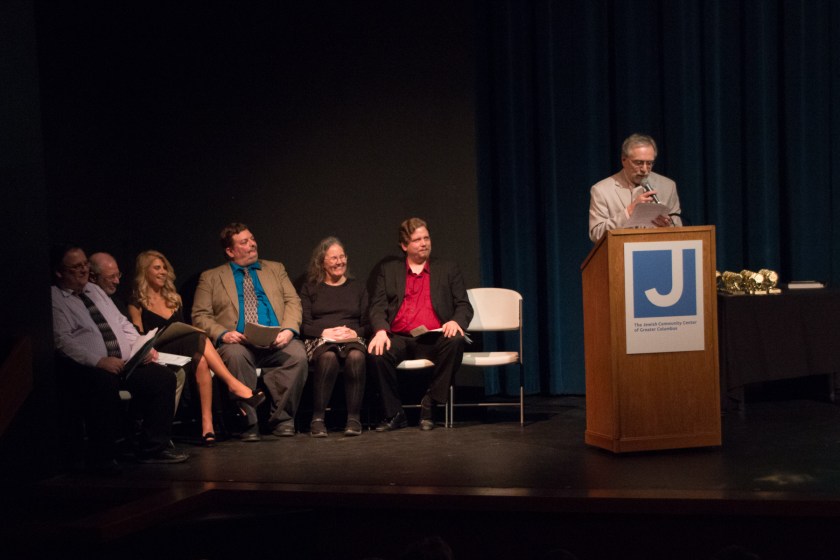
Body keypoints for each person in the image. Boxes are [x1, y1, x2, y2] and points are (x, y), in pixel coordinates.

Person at [51, 244, 189, 472]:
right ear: (60, 272)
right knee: (103, 385)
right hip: (91, 368)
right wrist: (99, 361)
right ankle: (103, 456)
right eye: (76, 267)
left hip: (124, 362)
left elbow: (122, 323)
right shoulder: (56, 298)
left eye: (85, 264)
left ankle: (153, 449)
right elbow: (62, 341)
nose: (84, 270)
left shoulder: (93, 291)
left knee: (162, 378)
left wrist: (141, 347)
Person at [127, 250, 266, 446]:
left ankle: (207, 426)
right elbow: (136, 336)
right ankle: (234, 385)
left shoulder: (174, 299)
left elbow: (183, 329)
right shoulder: (137, 302)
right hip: (156, 352)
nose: (163, 272)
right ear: (144, 271)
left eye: (165, 267)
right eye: (157, 268)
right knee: (199, 337)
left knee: (201, 360)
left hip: (181, 349)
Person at [192, 223, 308, 441]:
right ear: (230, 251)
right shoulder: (211, 277)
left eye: (252, 239)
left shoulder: (275, 268)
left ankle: (282, 419)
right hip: (238, 342)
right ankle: (248, 423)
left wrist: (289, 330)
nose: (252, 244)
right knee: (235, 356)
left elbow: (292, 301)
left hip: (276, 340)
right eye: (244, 242)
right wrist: (222, 334)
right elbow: (200, 315)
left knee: (298, 355)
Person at [368, 218, 473, 431]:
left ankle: (431, 405)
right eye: (417, 240)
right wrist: (380, 330)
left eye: (426, 238)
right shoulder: (389, 270)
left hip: (433, 338)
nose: (424, 243)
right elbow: (377, 307)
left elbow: (464, 305)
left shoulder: (447, 268)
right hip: (400, 338)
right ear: (404, 246)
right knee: (377, 352)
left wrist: (455, 321)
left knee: (456, 341)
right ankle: (394, 413)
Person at [300, 237, 369, 437]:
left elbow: (367, 323)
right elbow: (304, 324)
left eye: (342, 257)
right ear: (322, 262)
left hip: (351, 337)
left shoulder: (358, 287)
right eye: (333, 258)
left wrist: (356, 333)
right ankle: (318, 418)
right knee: (328, 358)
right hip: (320, 339)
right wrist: (324, 332)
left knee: (356, 357)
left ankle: (354, 418)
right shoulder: (310, 288)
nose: (339, 262)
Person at [588, 133, 683, 242]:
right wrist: (628, 212)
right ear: (624, 160)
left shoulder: (668, 186)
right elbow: (596, 234)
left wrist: (668, 227)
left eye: (649, 163)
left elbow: (678, 230)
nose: (645, 169)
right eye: (639, 163)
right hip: (621, 255)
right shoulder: (602, 190)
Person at [89, 252, 129, 318]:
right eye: (111, 277)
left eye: (118, 275)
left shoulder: (117, 304)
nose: (117, 281)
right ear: (93, 278)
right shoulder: (84, 305)